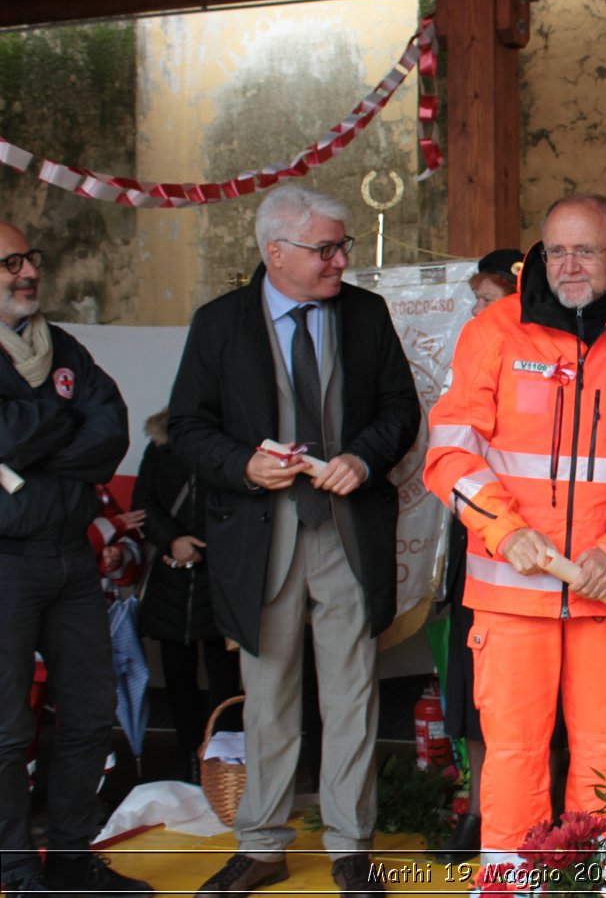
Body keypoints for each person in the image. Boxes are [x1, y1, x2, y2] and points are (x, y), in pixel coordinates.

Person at [424, 194, 606, 881]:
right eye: (555, 250)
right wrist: (503, 529)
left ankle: (592, 876)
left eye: (584, 249)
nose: (568, 265)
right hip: (511, 588)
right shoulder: (495, 329)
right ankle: (512, 880)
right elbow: (450, 452)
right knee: (513, 748)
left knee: (605, 747)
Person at [169, 185, 421, 898]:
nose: (342, 259)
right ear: (274, 252)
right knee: (268, 697)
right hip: (262, 537)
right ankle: (262, 844)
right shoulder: (219, 324)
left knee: (352, 696)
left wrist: (363, 457)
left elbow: (401, 408)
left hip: (346, 534)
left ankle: (350, 845)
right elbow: (186, 426)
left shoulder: (367, 314)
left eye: (341, 246)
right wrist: (239, 464)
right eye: (327, 248)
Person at [0, 223, 150, 898]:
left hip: (70, 560)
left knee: (90, 717)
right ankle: (13, 868)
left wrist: (28, 445)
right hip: (6, 563)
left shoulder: (65, 349)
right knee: (6, 731)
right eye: (10, 262)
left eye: (31, 256)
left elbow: (110, 431)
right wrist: (61, 421)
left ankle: (67, 861)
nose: (27, 271)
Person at [434, 247, 523, 863]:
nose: (477, 313)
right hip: (481, 549)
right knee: (476, 694)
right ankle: (482, 810)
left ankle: (542, 821)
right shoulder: (473, 358)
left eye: (487, 301)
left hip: (541, 554)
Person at [133, 407, 241, 786]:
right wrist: (172, 540)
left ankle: (223, 765)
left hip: (223, 574)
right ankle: (190, 761)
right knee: (178, 677)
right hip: (172, 576)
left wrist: (222, 545)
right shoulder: (161, 445)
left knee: (225, 677)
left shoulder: (235, 440)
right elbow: (144, 503)